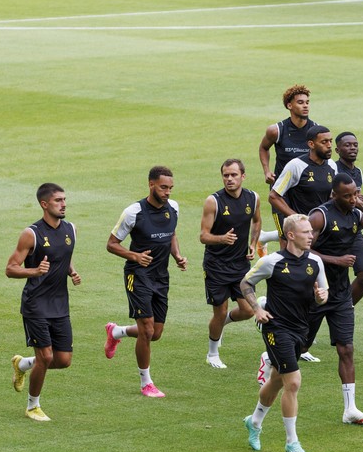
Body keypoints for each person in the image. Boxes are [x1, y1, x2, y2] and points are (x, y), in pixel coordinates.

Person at [240, 214, 328, 452]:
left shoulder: (315, 262)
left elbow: (324, 294)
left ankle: (254, 421)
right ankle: (292, 442)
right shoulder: (272, 261)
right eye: (305, 232)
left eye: (311, 231)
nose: (311, 235)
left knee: (278, 379)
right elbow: (246, 283)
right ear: (291, 235)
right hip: (276, 328)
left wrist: (321, 297)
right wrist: (257, 309)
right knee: (294, 382)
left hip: (302, 328)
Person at [307, 174, 363, 424]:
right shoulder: (320, 216)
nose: (353, 198)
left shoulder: (355, 212)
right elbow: (302, 250)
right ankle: (269, 358)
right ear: (334, 195)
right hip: (316, 292)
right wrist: (336, 260)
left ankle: (350, 409)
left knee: (346, 349)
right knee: (300, 346)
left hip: (341, 294)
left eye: (355, 194)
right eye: (347, 196)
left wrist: (362, 205)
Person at [104, 166, 188, 398]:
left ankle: (117, 332)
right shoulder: (133, 212)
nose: (167, 192)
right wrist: (135, 256)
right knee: (147, 328)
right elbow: (111, 244)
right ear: (151, 185)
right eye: (163, 187)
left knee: (155, 333)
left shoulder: (174, 208)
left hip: (161, 276)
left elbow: (171, 235)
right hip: (137, 276)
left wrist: (177, 256)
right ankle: (146, 383)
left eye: (170, 188)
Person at [6, 183, 81, 421]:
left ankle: (23, 364)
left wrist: (71, 271)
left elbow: (62, 256)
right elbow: (10, 269)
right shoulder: (31, 234)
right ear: (44, 204)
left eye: (64, 199)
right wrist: (35, 271)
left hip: (60, 303)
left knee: (63, 360)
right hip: (35, 304)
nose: (64, 204)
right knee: (46, 357)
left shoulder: (71, 229)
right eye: (58, 200)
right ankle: (32, 406)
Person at [269, 125, 337, 360]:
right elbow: (274, 195)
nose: (329, 145)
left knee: (315, 286)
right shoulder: (296, 166)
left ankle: (300, 340)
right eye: (324, 142)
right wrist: (295, 219)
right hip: (300, 237)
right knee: (296, 282)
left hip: (320, 233)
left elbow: (331, 198)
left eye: (330, 141)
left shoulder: (332, 167)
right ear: (311, 144)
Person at [199, 159, 262, 368]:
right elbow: (203, 236)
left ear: (243, 176)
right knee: (220, 310)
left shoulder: (253, 198)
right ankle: (212, 353)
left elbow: (257, 221)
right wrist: (221, 239)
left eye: (233, 175)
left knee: (248, 310)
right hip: (216, 265)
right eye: (226, 175)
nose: (229, 179)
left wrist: (253, 244)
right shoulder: (213, 201)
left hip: (240, 264)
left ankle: (221, 325)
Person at [257, 84, 318, 250]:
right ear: (289, 106)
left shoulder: (315, 130)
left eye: (307, 102)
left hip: (305, 189)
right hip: (281, 190)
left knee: (306, 231)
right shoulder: (277, 130)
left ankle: (265, 237)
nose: (305, 105)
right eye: (300, 102)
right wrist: (267, 170)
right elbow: (263, 148)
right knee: (286, 238)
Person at [334, 131, 363, 305]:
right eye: (347, 145)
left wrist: (357, 202)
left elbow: (356, 200)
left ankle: (344, 309)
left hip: (353, 227)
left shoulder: (358, 172)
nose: (352, 148)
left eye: (355, 145)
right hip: (333, 227)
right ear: (337, 149)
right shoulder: (332, 169)